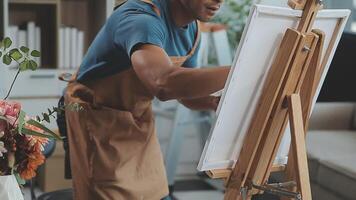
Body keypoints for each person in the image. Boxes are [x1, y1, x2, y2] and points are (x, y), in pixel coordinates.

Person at [64, 0, 229, 199]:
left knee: (156, 193)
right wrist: (241, 70)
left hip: (136, 118)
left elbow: (184, 91)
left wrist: (213, 102)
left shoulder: (192, 31)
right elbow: (163, 83)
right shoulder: (142, 21)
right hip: (95, 117)